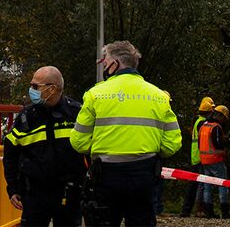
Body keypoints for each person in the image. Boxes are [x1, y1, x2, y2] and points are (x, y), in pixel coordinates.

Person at [70, 40, 181, 227]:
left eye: (105, 63)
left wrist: (102, 146)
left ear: (115, 64)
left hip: (105, 176)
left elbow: (78, 141)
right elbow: (172, 143)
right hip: (144, 175)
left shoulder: (95, 94)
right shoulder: (159, 96)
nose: (105, 67)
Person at [3, 65, 87, 226]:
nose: (31, 90)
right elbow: (10, 155)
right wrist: (12, 188)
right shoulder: (27, 117)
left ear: (52, 89)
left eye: (35, 86)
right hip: (35, 194)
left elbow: (90, 151)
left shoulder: (77, 114)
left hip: (69, 193)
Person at [180, 96, 217, 217]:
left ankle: (188, 210)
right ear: (208, 112)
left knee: (195, 185)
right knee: (200, 185)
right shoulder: (202, 123)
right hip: (200, 157)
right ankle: (199, 210)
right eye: (212, 111)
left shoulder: (197, 121)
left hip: (196, 156)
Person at [198, 104, 230, 218]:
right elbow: (217, 144)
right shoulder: (216, 127)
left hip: (204, 160)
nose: (224, 121)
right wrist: (227, 142)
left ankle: (208, 212)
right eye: (224, 118)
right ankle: (225, 212)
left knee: (207, 186)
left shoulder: (203, 125)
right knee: (222, 185)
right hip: (216, 160)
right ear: (220, 116)